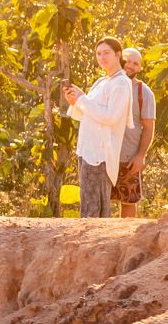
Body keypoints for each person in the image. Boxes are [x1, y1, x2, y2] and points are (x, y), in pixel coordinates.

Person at [66, 37, 137, 219]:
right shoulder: (101, 82)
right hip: (87, 149)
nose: (102, 57)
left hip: (100, 154)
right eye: (98, 53)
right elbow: (84, 114)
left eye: (106, 53)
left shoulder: (121, 83)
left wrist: (83, 99)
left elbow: (111, 117)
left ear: (118, 54)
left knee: (94, 209)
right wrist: (75, 101)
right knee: (89, 204)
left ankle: (92, 246)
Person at [116, 47, 157, 218]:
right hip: (104, 156)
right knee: (100, 201)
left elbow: (148, 127)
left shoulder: (144, 93)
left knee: (128, 202)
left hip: (129, 158)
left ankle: (125, 241)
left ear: (140, 68)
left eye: (136, 63)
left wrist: (140, 156)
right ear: (119, 59)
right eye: (128, 60)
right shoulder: (106, 85)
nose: (130, 65)